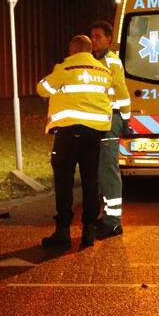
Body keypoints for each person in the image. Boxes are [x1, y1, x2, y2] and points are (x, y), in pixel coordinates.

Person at [36, 34, 117, 250]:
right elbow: (108, 97)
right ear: (90, 51)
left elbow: (42, 89)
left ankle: (62, 232)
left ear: (72, 51)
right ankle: (88, 232)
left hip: (68, 134)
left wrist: (57, 80)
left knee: (64, 182)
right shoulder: (104, 71)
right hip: (94, 135)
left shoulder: (65, 68)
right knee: (91, 182)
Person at [89, 20, 132, 238]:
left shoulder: (111, 61)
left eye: (98, 36)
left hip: (110, 121)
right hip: (95, 122)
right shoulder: (90, 61)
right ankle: (104, 216)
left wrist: (125, 120)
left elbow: (121, 92)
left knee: (108, 171)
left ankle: (113, 222)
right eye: (92, 36)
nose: (94, 40)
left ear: (108, 39)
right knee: (97, 171)